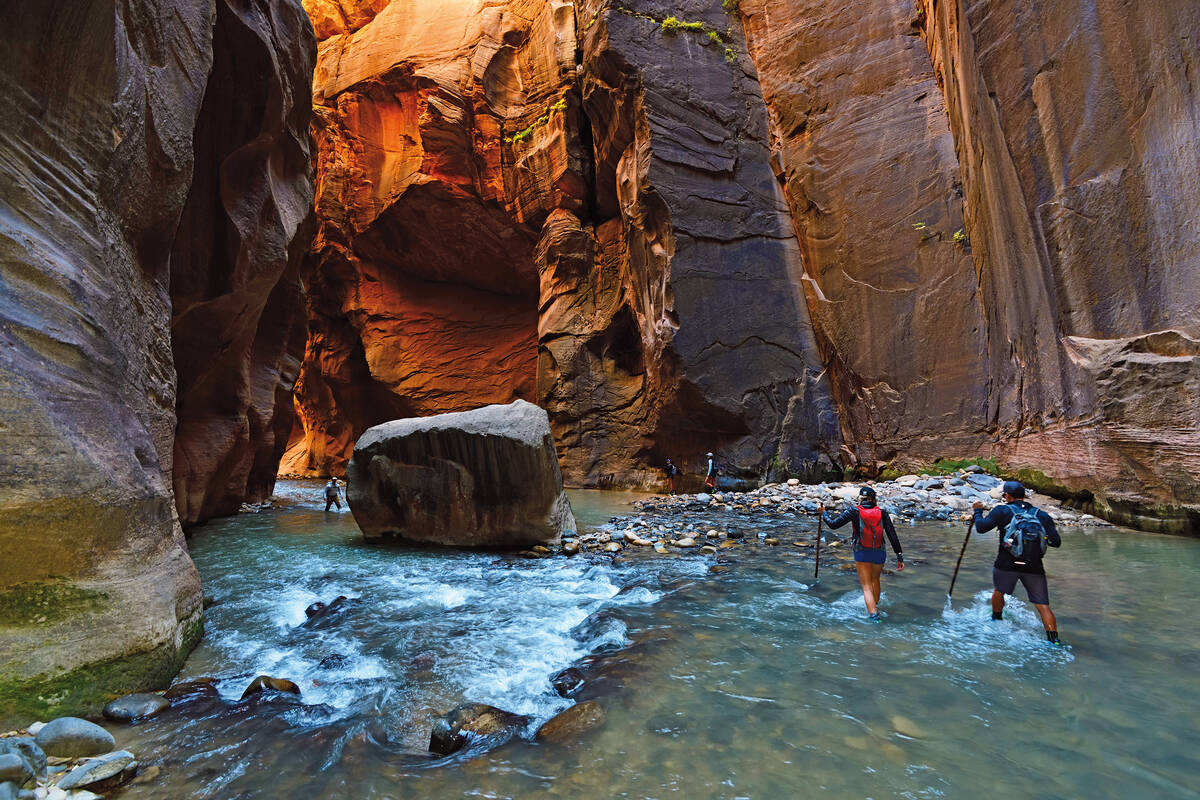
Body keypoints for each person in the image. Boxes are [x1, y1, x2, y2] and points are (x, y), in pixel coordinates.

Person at [972, 480, 1063, 644]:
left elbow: (981, 528)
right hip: (1034, 566)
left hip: (1006, 564)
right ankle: (1054, 640)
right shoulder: (1041, 515)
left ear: (1007, 495)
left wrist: (977, 512)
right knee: (1042, 605)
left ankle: (996, 620)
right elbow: (1056, 542)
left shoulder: (1002, 511)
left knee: (999, 591)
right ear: (1024, 496)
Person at [819, 486, 904, 621]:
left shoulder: (854, 511)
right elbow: (892, 535)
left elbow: (833, 525)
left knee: (866, 586)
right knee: (875, 580)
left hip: (862, 552)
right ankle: (874, 606)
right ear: (874, 499)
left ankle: (874, 616)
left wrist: (823, 513)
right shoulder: (882, 512)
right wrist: (899, 555)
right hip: (879, 552)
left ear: (861, 499)